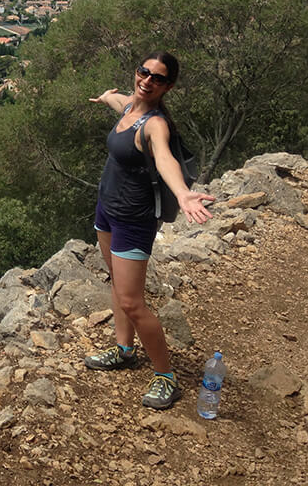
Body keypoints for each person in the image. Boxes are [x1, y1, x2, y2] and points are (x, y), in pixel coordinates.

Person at [84, 51, 214, 409]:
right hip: (107, 209)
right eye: (144, 72)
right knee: (117, 281)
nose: (147, 80)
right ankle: (125, 350)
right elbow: (118, 99)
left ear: (168, 86)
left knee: (132, 301)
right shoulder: (130, 107)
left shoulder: (156, 124)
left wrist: (184, 193)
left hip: (133, 218)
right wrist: (106, 96)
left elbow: (164, 158)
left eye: (157, 78)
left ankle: (166, 376)